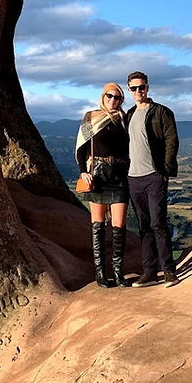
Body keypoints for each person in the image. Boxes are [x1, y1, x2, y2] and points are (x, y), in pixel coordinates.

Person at [125, 71, 180, 288]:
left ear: (148, 88)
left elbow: (171, 140)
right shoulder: (128, 115)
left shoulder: (161, 112)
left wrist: (164, 169)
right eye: (134, 88)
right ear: (129, 90)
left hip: (154, 176)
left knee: (158, 223)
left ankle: (168, 270)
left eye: (142, 87)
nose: (139, 91)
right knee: (144, 226)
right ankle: (149, 272)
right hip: (133, 178)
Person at [75, 82, 132, 287]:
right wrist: (83, 171)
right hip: (97, 175)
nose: (113, 100)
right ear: (103, 96)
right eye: (109, 96)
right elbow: (81, 148)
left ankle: (118, 273)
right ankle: (100, 273)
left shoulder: (125, 120)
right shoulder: (91, 117)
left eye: (117, 98)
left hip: (119, 176)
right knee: (97, 226)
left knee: (119, 226)